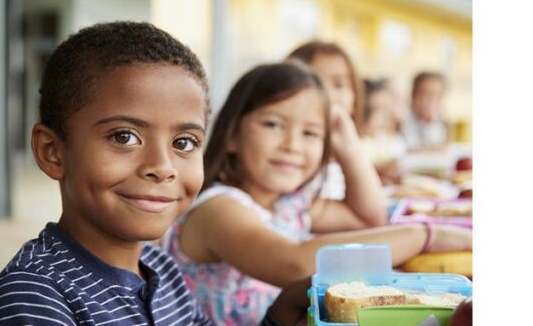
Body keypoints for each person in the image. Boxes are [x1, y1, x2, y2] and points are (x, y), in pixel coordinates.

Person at [0, 21, 306, 326]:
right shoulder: (32, 299)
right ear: (52, 151)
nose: (162, 167)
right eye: (124, 137)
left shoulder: (160, 268)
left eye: (184, 142)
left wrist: (281, 314)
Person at [161, 61, 473, 325]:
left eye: (310, 132)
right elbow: (294, 264)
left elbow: (368, 216)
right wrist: (424, 234)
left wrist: (348, 144)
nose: (293, 145)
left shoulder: (288, 205)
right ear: (232, 135)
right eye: (273, 124)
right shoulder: (217, 209)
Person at [287, 41, 389, 227]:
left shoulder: (338, 160)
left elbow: (372, 216)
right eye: (315, 82)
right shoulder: (288, 160)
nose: (328, 95)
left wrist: (350, 148)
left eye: (339, 85)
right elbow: (372, 219)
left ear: (354, 101)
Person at [361, 78, 409, 185]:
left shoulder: (388, 140)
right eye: (375, 110)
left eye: (385, 110)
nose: (382, 118)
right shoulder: (357, 144)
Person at [402, 71, 450, 151]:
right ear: (413, 94)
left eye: (434, 95)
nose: (427, 100)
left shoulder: (441, 120)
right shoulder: (402, 117)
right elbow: (410, 148)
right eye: (422, 93)